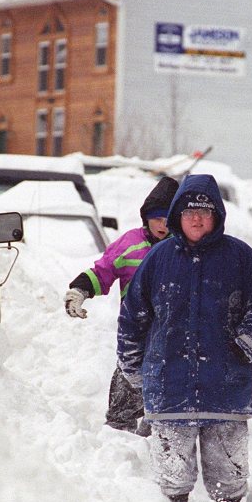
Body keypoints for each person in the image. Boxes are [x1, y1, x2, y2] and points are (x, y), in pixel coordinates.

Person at [116, 173, 252, 502]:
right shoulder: (158, 259)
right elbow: (133, 316)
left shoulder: (239, 257)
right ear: (177, 215)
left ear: (216, 216)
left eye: (204, 212)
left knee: (229, 480)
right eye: (189, 212)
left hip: (225, 389)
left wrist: (247, 342)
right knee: (172, 480)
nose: (196, 218)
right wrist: (133, 368)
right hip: (169, 388)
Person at [64, 175, 179, 433]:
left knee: (164, 399)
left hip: (171, 337)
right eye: (157, 218)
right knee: (125, 394)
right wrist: (80, 290)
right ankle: (118, 434)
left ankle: (154, 431)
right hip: (134, 336)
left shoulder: (182, 249)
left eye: (169, 219)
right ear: (146, 217)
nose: (163, 225)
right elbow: (103, 271)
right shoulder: (130, 244)